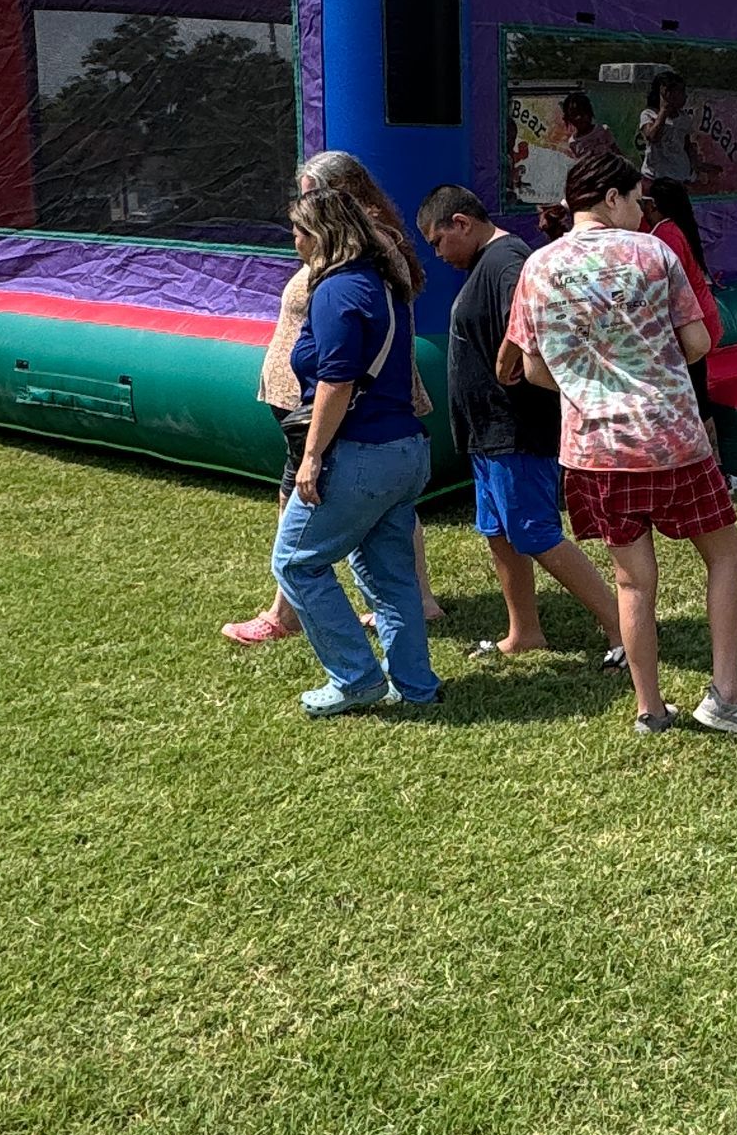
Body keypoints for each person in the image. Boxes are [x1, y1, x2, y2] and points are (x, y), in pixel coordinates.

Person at [507, 151, 737, 738]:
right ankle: (726, 696)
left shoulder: (537, 268)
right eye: (635, 199)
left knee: (633, 583)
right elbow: (699, 342)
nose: (639, 210)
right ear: (611, 197)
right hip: (672, 439)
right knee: (724, 553)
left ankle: (650, 709)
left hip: (593, 450)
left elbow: (532, 369)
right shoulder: (654, 254)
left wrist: (590, 383)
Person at [222, 151, 444, 645]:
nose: (300, 221)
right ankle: (411, 608)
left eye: (309, 198)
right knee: (388, 512)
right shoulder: (368, 250)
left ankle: (293, 615)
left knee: (305, 501)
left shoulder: (357, 258)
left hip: (336, 401)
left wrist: (314, 450)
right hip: (320, 394)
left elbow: (340, 369)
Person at [414, 182, 626, 667]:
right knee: (498, 531)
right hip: (486, 434)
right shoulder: (487, 264)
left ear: (461, 223)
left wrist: (513, 353)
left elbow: (536, 316)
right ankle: (524, 631)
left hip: (515, 428)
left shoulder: (508, 258)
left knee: (533, 531)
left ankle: (621, 625)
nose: (438, 255)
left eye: (438, 241)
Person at [271, 185, 439, 717]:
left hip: (361, 454)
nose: (293, 241)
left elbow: (336, 381)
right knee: (389, 575)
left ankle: (355, 678)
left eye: (298, 230)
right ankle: (415, 683)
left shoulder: (336, 291)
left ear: (321, 235)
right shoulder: (381, 284)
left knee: (295, 564)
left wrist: (313, 456)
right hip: (405, 450)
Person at [640, 180, 728, 468]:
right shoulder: (671, 230)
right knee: (697, 397)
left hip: (689, 328)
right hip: (696, 325)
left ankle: (713, 470)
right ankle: (715, 469)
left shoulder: (666, 236)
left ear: (651, 206)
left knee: (696, 400)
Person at [637, 71, 706, 195]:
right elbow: (652, 137)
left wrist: (695, 168)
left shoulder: (684, 118)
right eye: (679, 92)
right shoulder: (649, 115)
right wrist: (664, 110)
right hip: (656, 176)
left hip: (679, 174)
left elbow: (687, 145)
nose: (684, 97)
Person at [560, 90, 619, 169]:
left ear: (589, 112)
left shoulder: (602, 131)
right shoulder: (573, 143)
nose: (579, 118)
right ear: (568, 118)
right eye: (574, 114)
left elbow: (617, 153)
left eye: (582, 113)